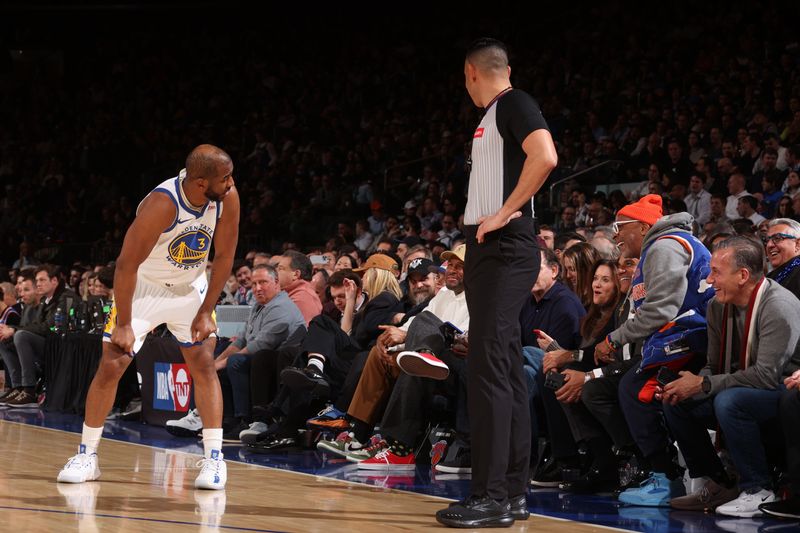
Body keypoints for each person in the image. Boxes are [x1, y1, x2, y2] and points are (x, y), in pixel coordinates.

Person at [56, 144, 240, 490]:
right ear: (201, 183)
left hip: (190, 287)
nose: (231, 183)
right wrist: (124, 323)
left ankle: (215, 459)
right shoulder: (162, 204)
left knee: (202, 361)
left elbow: (226, 256)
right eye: (225, 178)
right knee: (112, 363)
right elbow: (125, 266)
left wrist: (205, 312)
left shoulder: (227, 197)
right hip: (146, 287)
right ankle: (87, 455)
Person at [435, 38, 557, 529]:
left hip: (505, 246)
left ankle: (489, 496)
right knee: (502, 370)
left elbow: (545, 156)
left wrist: (504, 212)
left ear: (471, 72)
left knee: (488, 368)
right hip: (494, 250)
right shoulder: (494, 115)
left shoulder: (514, 103)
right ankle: (511, 494)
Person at [662, 236, 800, 517]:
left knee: (730, 401)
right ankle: (718, 481)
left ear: (743, 275)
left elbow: (765, 376)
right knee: (676, 399)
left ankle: (758, 487)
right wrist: (690, 384)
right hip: (742, 387)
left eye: (716, 272)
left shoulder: (778, 305)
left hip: (779, 392)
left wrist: (703, 383)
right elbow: (714, 366)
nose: (709, 279)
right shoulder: (716, 306)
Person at [595, 194, 715, 507]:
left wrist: (615, 339)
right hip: (687, 334)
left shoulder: (665, 245)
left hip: (694, 334)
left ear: (644, 226)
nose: (616, 235)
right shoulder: (665, 244)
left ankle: (665, 477)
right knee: (632, 387)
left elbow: (662, 309)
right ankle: (679, 474)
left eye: (621, 226)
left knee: (637, 390)